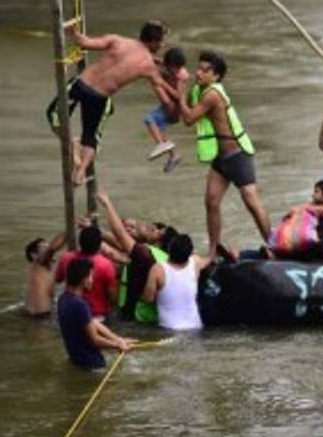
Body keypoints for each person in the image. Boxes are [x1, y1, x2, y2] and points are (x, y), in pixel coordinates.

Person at [177, 50, 271, 259]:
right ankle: (212, 252)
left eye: (205, 70)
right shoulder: (199, 90)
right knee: (211, 202)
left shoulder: (211, 94)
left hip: (237, 153)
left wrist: (180, 92)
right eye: (198, 68)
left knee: (251, 201)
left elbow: (189, 118)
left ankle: (274, 245)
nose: (199, 73)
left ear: (216, 76)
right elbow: (181, 111)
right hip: (220, 158)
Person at [59, 20, 173, 185]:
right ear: (154, 42)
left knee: (55, 117)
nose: (162, 45)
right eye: (161, 42)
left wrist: (74, 33)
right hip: (98, 97)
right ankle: (80, 172)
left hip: (81, 84)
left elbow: (83, 42)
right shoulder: (148, 65)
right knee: (90, 137)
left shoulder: (117, 40)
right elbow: (162, 88)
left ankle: (75, 154)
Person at [95, 190, 178, 324]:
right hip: (153, 317)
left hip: (135, 319)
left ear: (159, 243)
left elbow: (119, 233)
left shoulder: (146, 254)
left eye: (158, 232)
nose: (154, 228)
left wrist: (107, 204)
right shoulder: (163, 257)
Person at [57, 259, 136, 370]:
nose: (92, 280)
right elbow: (95, 340)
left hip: (75, 361)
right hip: (93, 365)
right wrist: (118, 345)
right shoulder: (80, 305)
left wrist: (118, 339)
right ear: (84, 280)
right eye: (91, 277)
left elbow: (92, 322)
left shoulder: (63, 299)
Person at [142, 234, 210, 330]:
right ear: (189, 254)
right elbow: (208, 259)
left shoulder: (158, 269)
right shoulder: (195, 262)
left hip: (169, 328)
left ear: (169, 250)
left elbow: (148, 299)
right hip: (195, 326)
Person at [55, 225, 118, 320]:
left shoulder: (66, 258)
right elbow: (113, 297)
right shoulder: (106, 264)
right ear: (99, 244)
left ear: (80, 242)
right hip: (97, 315)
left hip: (70, 311)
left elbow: (57, 279)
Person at [143, 46, 190, 172]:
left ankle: (161, 145)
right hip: (168, 107)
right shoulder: (167, 65)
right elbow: (157, 61)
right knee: (157, 128)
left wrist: (162, 84)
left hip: (174, 109)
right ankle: (173, 155)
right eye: (173, 67)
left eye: (178, 68)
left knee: (149, 118)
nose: (175, 70)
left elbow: (178, 96)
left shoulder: (181, 75)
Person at [23, 232, 66, 317]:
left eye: (47, 246)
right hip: (38, 317)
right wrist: (72, 227)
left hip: (43, 315)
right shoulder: (38, 264)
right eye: (43, 247)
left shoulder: (47, 268)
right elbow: (52, 248)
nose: (47, 248)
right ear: (33, 255)